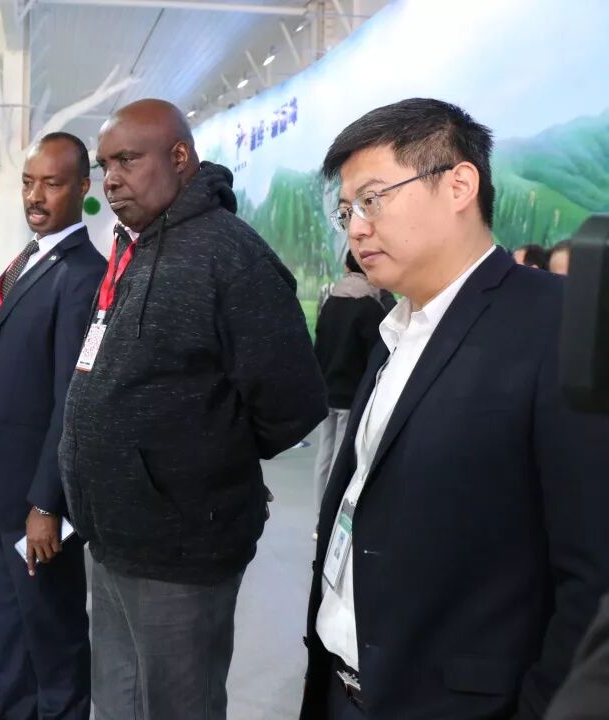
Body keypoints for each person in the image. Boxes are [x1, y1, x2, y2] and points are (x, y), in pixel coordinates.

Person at [300, 98, 609, 720]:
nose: (355, 229)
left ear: (459, 185)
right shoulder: (395, 330)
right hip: (344, 682)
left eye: (372, 199)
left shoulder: (555, 326)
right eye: (347, 210)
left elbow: (593, 573)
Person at [59, 99, 327, 720]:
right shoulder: (135, 248)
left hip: (182, 548)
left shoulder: (230, 256)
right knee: (119, 702)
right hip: (113, 534)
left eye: (127, 160)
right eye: (104, 165)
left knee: (179, 707)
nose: (111, 179)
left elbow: (292, 403)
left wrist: (199, 465)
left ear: (179, 157)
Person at [0, 132, 105, 720]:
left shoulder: (82, 274)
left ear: (83, 188)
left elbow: (70, 399)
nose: (36, 196)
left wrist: (46, 503)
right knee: (10, 632)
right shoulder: (28, 259)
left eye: (52, 184)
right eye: (29, 183)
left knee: (52, 635)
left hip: (34, 499)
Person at [312, 251, 387, 521]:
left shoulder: (330, 303)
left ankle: (320, 514)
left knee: (324, 452)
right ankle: (332, 516)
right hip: (352, 394)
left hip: (326, 390)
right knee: (342, 457)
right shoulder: (371, 308)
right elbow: (375, 357)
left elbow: (319, 346)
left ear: (346, 267)